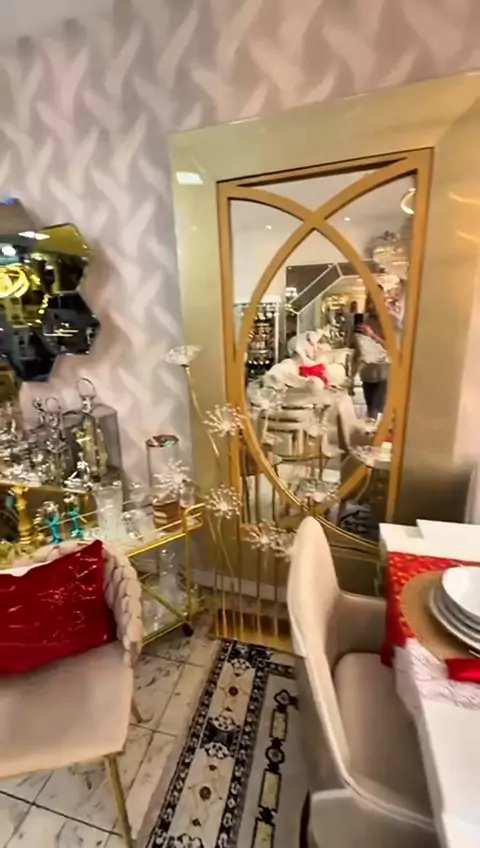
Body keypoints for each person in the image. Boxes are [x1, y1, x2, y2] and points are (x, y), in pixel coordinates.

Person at [354, 291, 389, 418]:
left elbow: (392, 347)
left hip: (384, 373)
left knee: (378, 409)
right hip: (367, 373)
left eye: (375, 300)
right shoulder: (365, 318)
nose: (372, 304)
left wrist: (372, 335)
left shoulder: (389, 320)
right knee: (370, 411)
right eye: (369, 300)